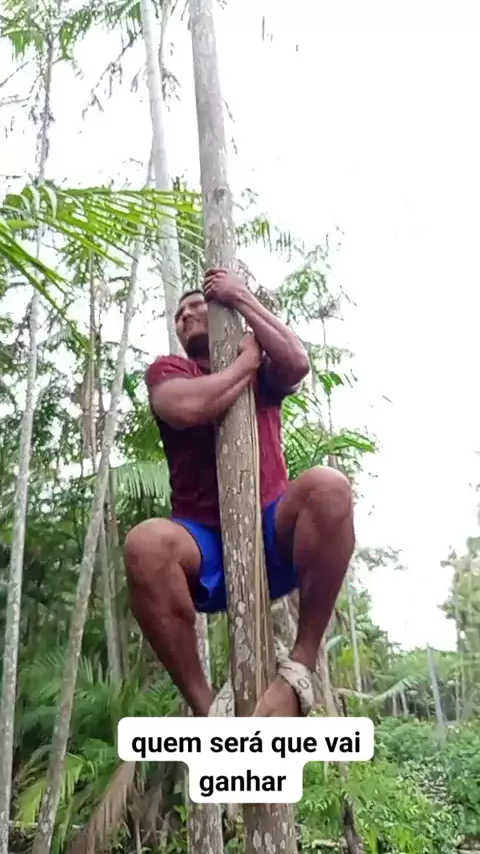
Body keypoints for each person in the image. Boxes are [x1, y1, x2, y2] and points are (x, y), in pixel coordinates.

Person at [124, 267, 355, 717]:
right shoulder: (170, 371)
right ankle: (208, 711)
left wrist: (242, 297)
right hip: (203, 546)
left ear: (220, 313)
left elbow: (297, 363)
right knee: (145, 544)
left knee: (330, 487)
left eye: (197, 306)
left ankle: (300, 667)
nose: (186, 315)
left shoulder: (267, 372)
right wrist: (246, 363)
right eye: (179, 314)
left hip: (273, 531)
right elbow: (187, 406)